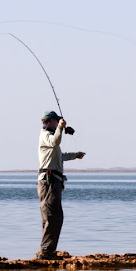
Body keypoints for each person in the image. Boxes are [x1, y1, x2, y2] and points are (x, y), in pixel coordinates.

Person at [36, 111, 86, 260]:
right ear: (51, 121)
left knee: (51, 215)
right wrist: (61, 128)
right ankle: (46, 251)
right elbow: (55, 142)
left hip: (52, 180)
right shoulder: (46, 136)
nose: (59, 124)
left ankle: (47, 250)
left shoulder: (49, 137)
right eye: (57, 122)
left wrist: (75, 155)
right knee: (53, 215)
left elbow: (60, 156)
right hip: (49, 180)